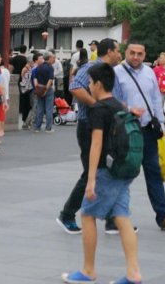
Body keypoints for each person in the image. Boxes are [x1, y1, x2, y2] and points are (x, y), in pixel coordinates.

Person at [62, 62, 143, 284]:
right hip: (125, 169)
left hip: (107, 171)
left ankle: (88, 271)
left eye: (90, 82)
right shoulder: (119, 105)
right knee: (122, 217)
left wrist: (90, 181)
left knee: (87, 215)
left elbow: (96, 145)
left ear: (98, 84)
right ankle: (133, 273)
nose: (89, 86)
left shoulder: (98, 109)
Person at [113, 41, 165, 230]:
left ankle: (163, 215)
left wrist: (160, 123)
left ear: (145, 55)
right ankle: (115, 217)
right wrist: (129, 109)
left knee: (154, 171)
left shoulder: (149, 73)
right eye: (132, 53)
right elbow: (112, 100)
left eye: (140, 54)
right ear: (126, 53)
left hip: (147, 130)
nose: (135, 57)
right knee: (124, 173)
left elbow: (155, 99)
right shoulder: (116, 73)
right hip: (127, 130)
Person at [58, 37, 121, 234]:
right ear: (109, 51)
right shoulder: (92, 67)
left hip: (105, 126)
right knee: (90, 174)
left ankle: (111, 219)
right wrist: (97, 105)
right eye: (118, 50)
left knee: (105, 171)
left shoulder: (110, 70)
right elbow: (75, 86)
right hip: (88, 126)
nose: (119, 54)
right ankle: (67, 214)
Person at [33, 51, 55, 133]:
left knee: (39, 108)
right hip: (47, 89)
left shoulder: (38, 67)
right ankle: (48, 128)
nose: (53, 59)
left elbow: (35, 79)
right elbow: (50, 79)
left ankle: (37, 127)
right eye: (52, 57)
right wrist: (46, 89)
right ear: (49, 58)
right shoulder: (50, 67)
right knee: (49, 108)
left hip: (39, 88)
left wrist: (37, 87)